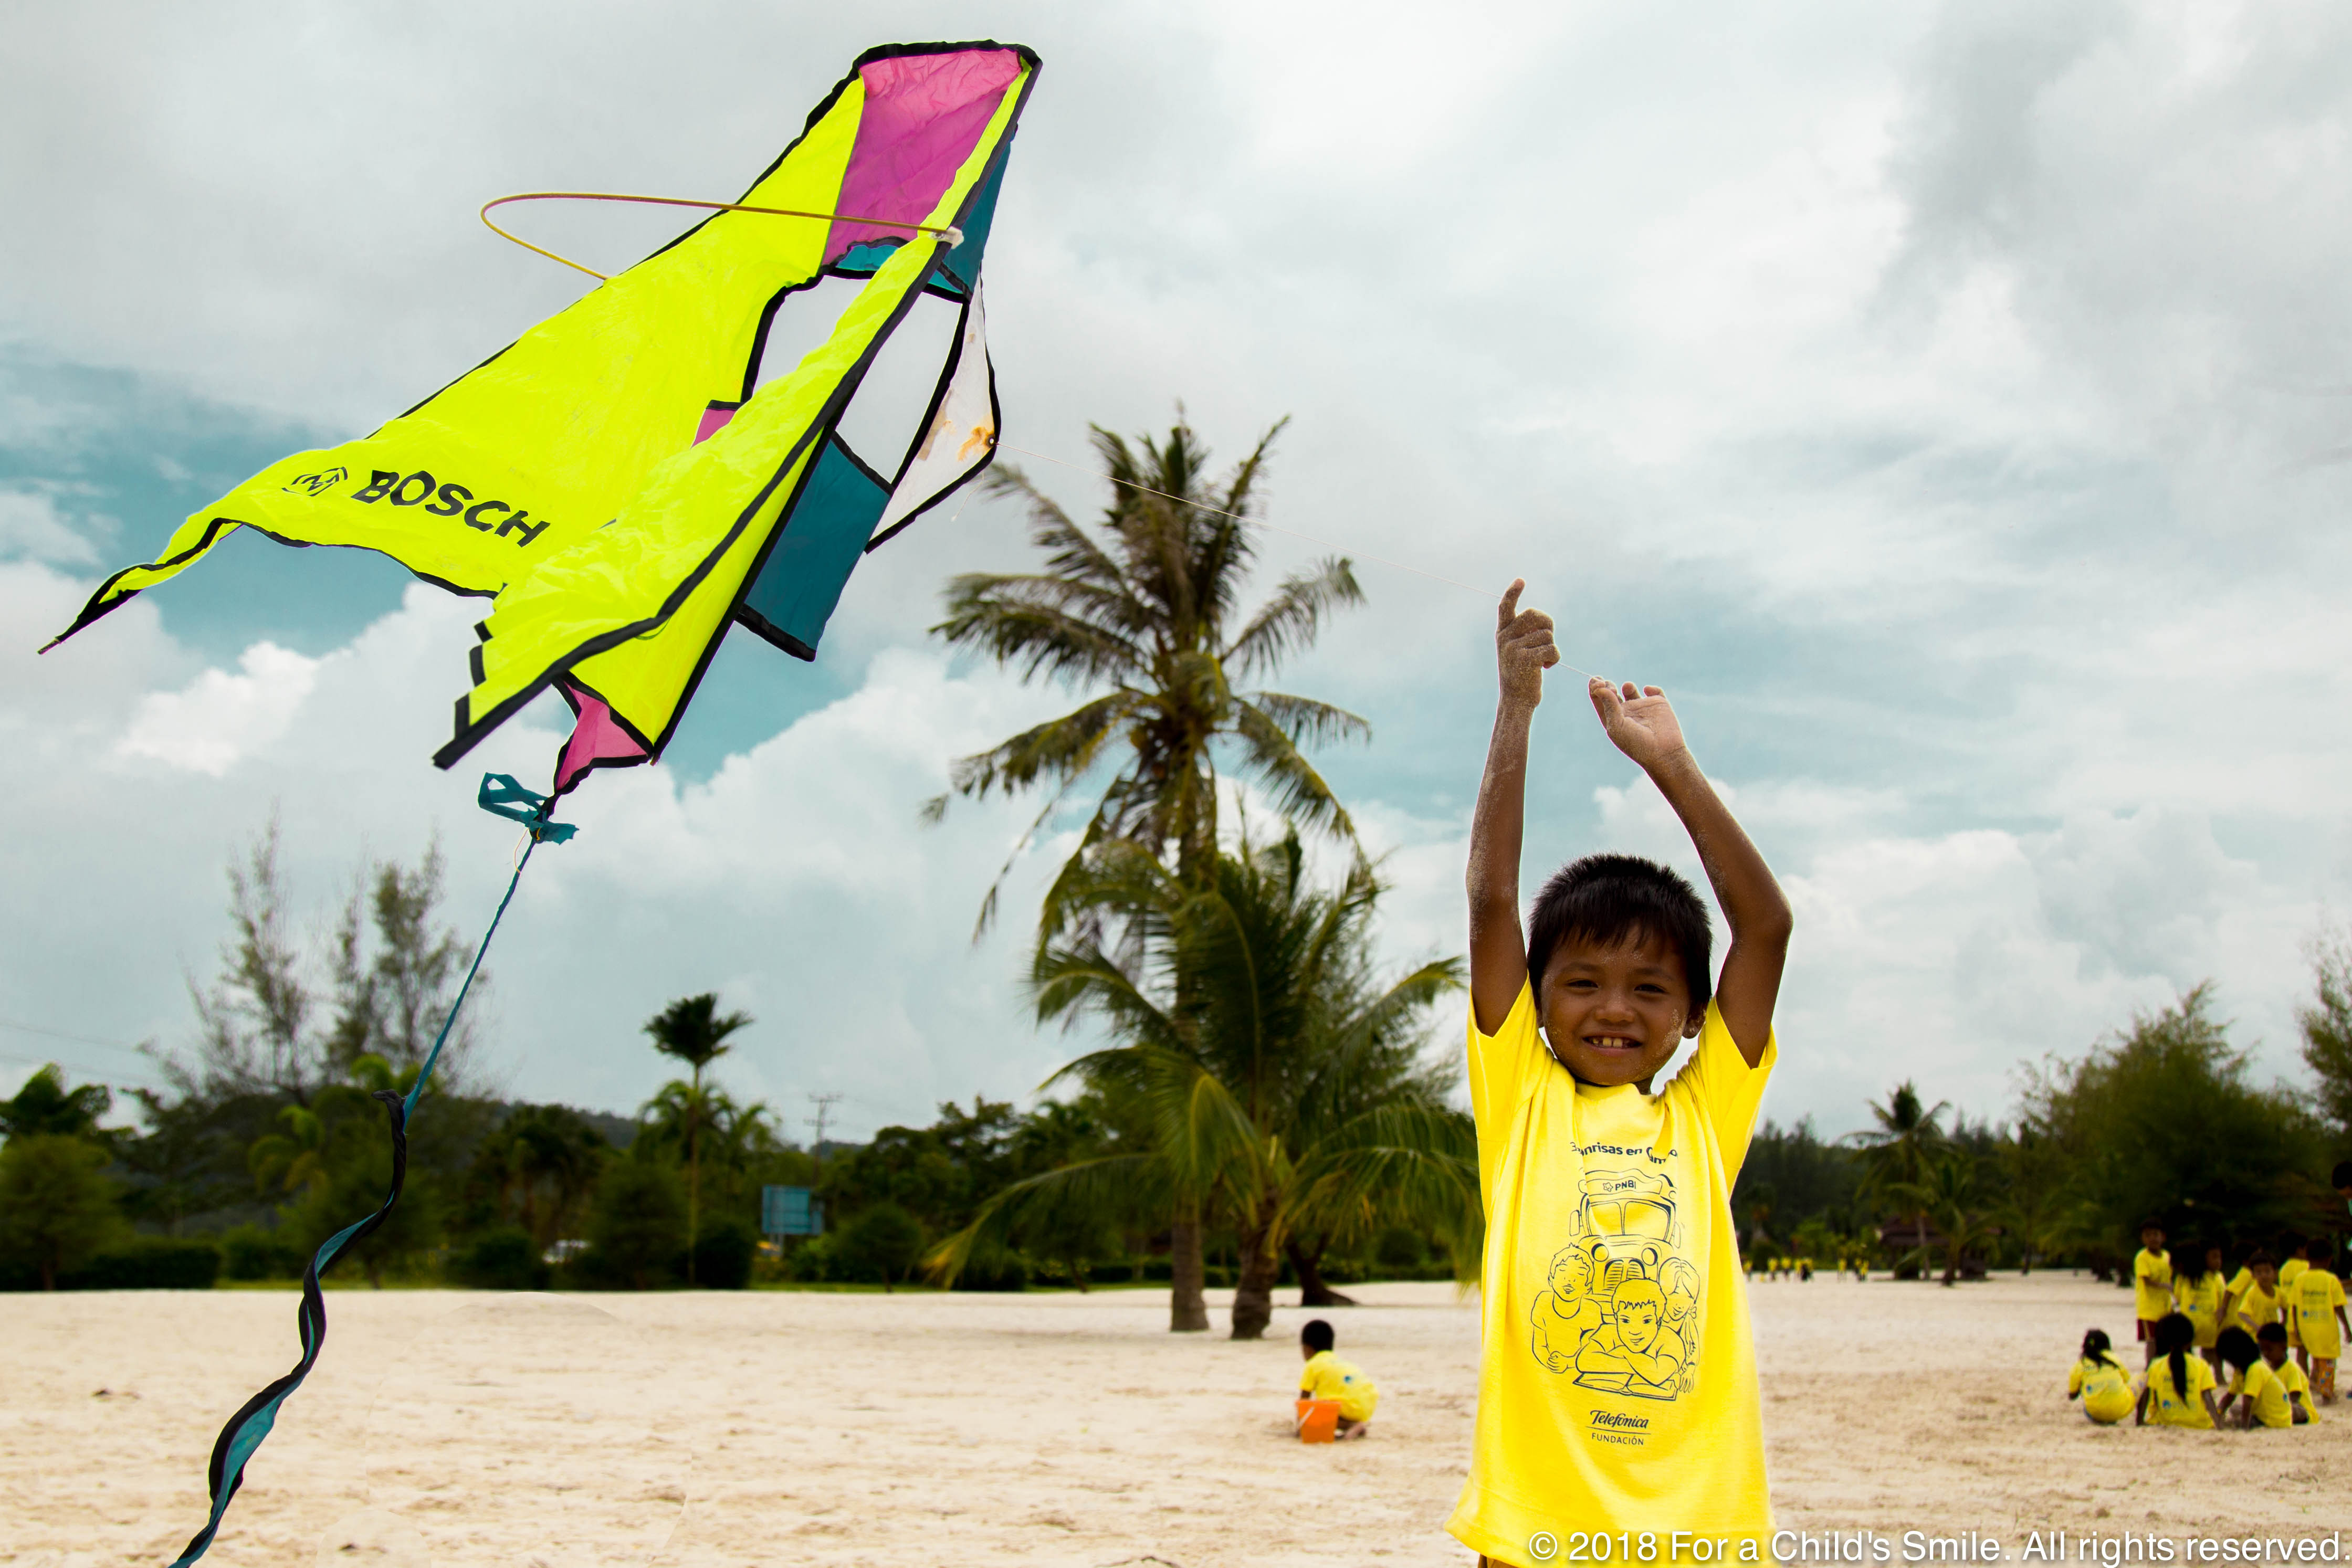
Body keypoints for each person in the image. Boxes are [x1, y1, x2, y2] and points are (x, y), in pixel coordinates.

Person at [1450, 580, 1793, 1561]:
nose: (1611, 1008)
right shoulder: (1521, 1097)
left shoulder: (1705, 1113)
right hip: (1534, 1527)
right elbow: (1490, 900)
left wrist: (1672, 765)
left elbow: (1764, 927)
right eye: (1584, 981)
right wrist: (1515, 708)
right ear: (1539, 998)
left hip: (1699, 1527)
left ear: (1693, 1016)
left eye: (1649, 988)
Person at [2217, 1323, 2314, 1429]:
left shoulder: (2260, 1369)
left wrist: (2245, 1427)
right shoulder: (2244, 1371)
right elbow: (2229, 1397)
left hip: (2287, 1409)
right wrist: (2218, 1412)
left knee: (2294, 1410)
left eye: (2269, 1350)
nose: (2266, 1354)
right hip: (2268, 1410)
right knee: (2235, 1409)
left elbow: (2294, 1398)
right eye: (2263, 1350)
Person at [2134, 1312, 2219, 1429]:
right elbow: (2208, 1397)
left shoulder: (2156, 1365)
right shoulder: (2201, 1365)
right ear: (2190, 1341)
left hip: (2165, 1423)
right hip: (2198, 1425)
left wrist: (2139, 1421)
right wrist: (2219, 1425)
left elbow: (2145, 1394)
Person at [1297, 1318, 1379, 1439]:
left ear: (1307, 1349)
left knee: (1314, 1414)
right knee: (1330, 1402)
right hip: (1367, 1405)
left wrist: (1300, 1428)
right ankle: (1355, 1425)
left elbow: (1303, 1400)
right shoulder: (1340, 1362)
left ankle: (1352, 1424)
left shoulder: (1313, 1364)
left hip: (1347, 1407)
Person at [2290, 1235, 2347, 1404]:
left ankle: (2313, 1385)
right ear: (2330, 1259)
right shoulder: (2331, 1280)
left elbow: (2295, 1306)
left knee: (2315, 1358)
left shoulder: (2300, 1279)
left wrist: (2297, 1328)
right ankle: (2326, 1393)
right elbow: (2338, 1307)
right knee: (2328, 1361)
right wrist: (2347, 1327)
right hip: (2326, 1328)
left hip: (2307, 1327)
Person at [2174, 1242, 2228, 1373]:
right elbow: (2222, 1297)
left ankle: (2193, 1372)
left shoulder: (2184, 1277)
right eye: (2214, 1258)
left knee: (2186, 1351)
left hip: (2188, 1322)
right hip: (2210, 1322)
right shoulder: (2217, 1277)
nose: (2218, 1262)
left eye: (2219, 1258)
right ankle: (2218, 1376)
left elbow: (2178, 1296)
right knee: (2212, 1352)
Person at [2066, 1328, 2136, 1425]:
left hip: (2095, 1412)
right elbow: (2128, 1381)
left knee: (2087, 1387)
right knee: (2141, 1380)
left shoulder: (2080, 1365)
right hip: (2121, 1410)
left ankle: (2100, 1417)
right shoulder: (2114, 1359)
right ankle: (2140, 1420)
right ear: (2107, 1345)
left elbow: (2072, 1396)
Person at [2132, 1221, 2173, 1366]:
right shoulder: (2142, 1257)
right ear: (2143, 1239)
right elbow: (2147, 1280)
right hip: (2148, 1308)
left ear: (2163, 1237)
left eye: (2156, 1235)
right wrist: (2165, 1286)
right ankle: (2149, 1368)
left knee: (2167, 1339)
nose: (2152, 1238)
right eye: (2148, 1235)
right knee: (2152, 1340)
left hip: (2165, 1307)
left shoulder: (2167, 1256)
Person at [2224, 1250, 2283, 1338]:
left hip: (2271, 1336)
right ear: (2253, 1275)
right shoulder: (2252, 1293)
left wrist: (2283, 1323)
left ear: (2276, 1273)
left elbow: (2286, 1307)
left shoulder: (2278, 1291)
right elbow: (2242, 1314)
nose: (2263, 1276)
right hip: (2255, 1337)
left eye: (2267, 1272)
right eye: (2259, 1273)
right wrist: (2258, 1328)